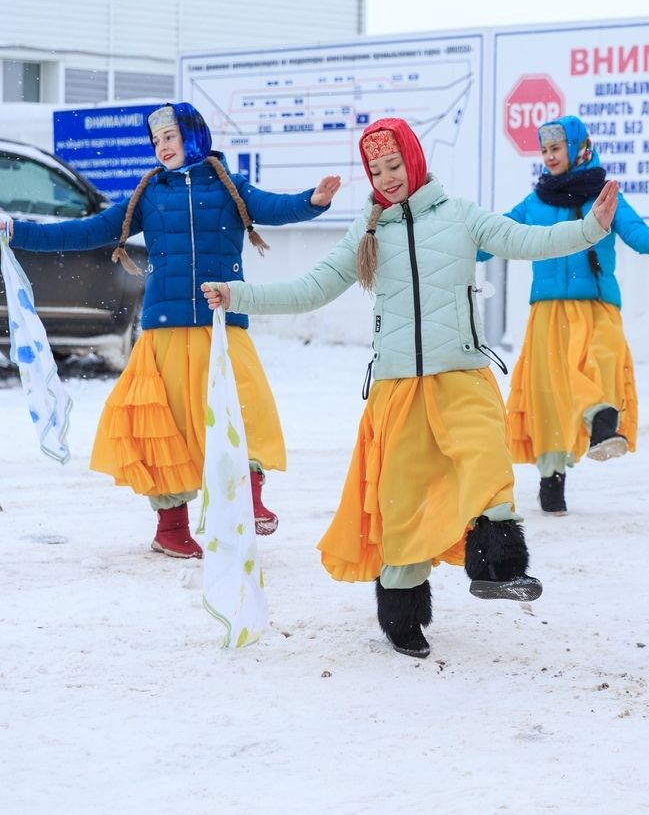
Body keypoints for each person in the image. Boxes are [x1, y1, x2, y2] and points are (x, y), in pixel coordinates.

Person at [202, 118, 618, 659]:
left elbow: (526, 240)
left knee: (485, 465)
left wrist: (591, 229)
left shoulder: (461, 216)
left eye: (394, 166)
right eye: (376, 170)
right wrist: (237, 295)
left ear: (414, 161)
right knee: (402, 502)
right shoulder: (368, 230)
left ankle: (497, 568)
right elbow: (310, 289)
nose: (387, 177)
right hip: (397, 387)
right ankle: (402, 612)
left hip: (462, 373)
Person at [0, 102, 339, 558]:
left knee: (244, 408)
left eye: (170, 137)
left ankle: (248, 496)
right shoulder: (149, 195)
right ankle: (171, 525)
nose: (162, 147)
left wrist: (312, 202)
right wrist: (17, 232)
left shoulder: (227, 187)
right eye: (156, 141)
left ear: (193, 136)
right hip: (165, 329)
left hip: (223, 323)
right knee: (168, 426)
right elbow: (89, 231)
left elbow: (273, 208)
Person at [487, 115, 649, 515]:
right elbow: (495, 235)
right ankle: (552, 478)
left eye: (557, 149)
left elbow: (636, 233)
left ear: (578, 149)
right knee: (550, 393)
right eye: (545, 151)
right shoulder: (534, 204)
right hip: (549, 309)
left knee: (600, 364)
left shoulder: (604, 197)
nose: (550, 157)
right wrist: (455, 244)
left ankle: (603, 424)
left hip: (598, 305)